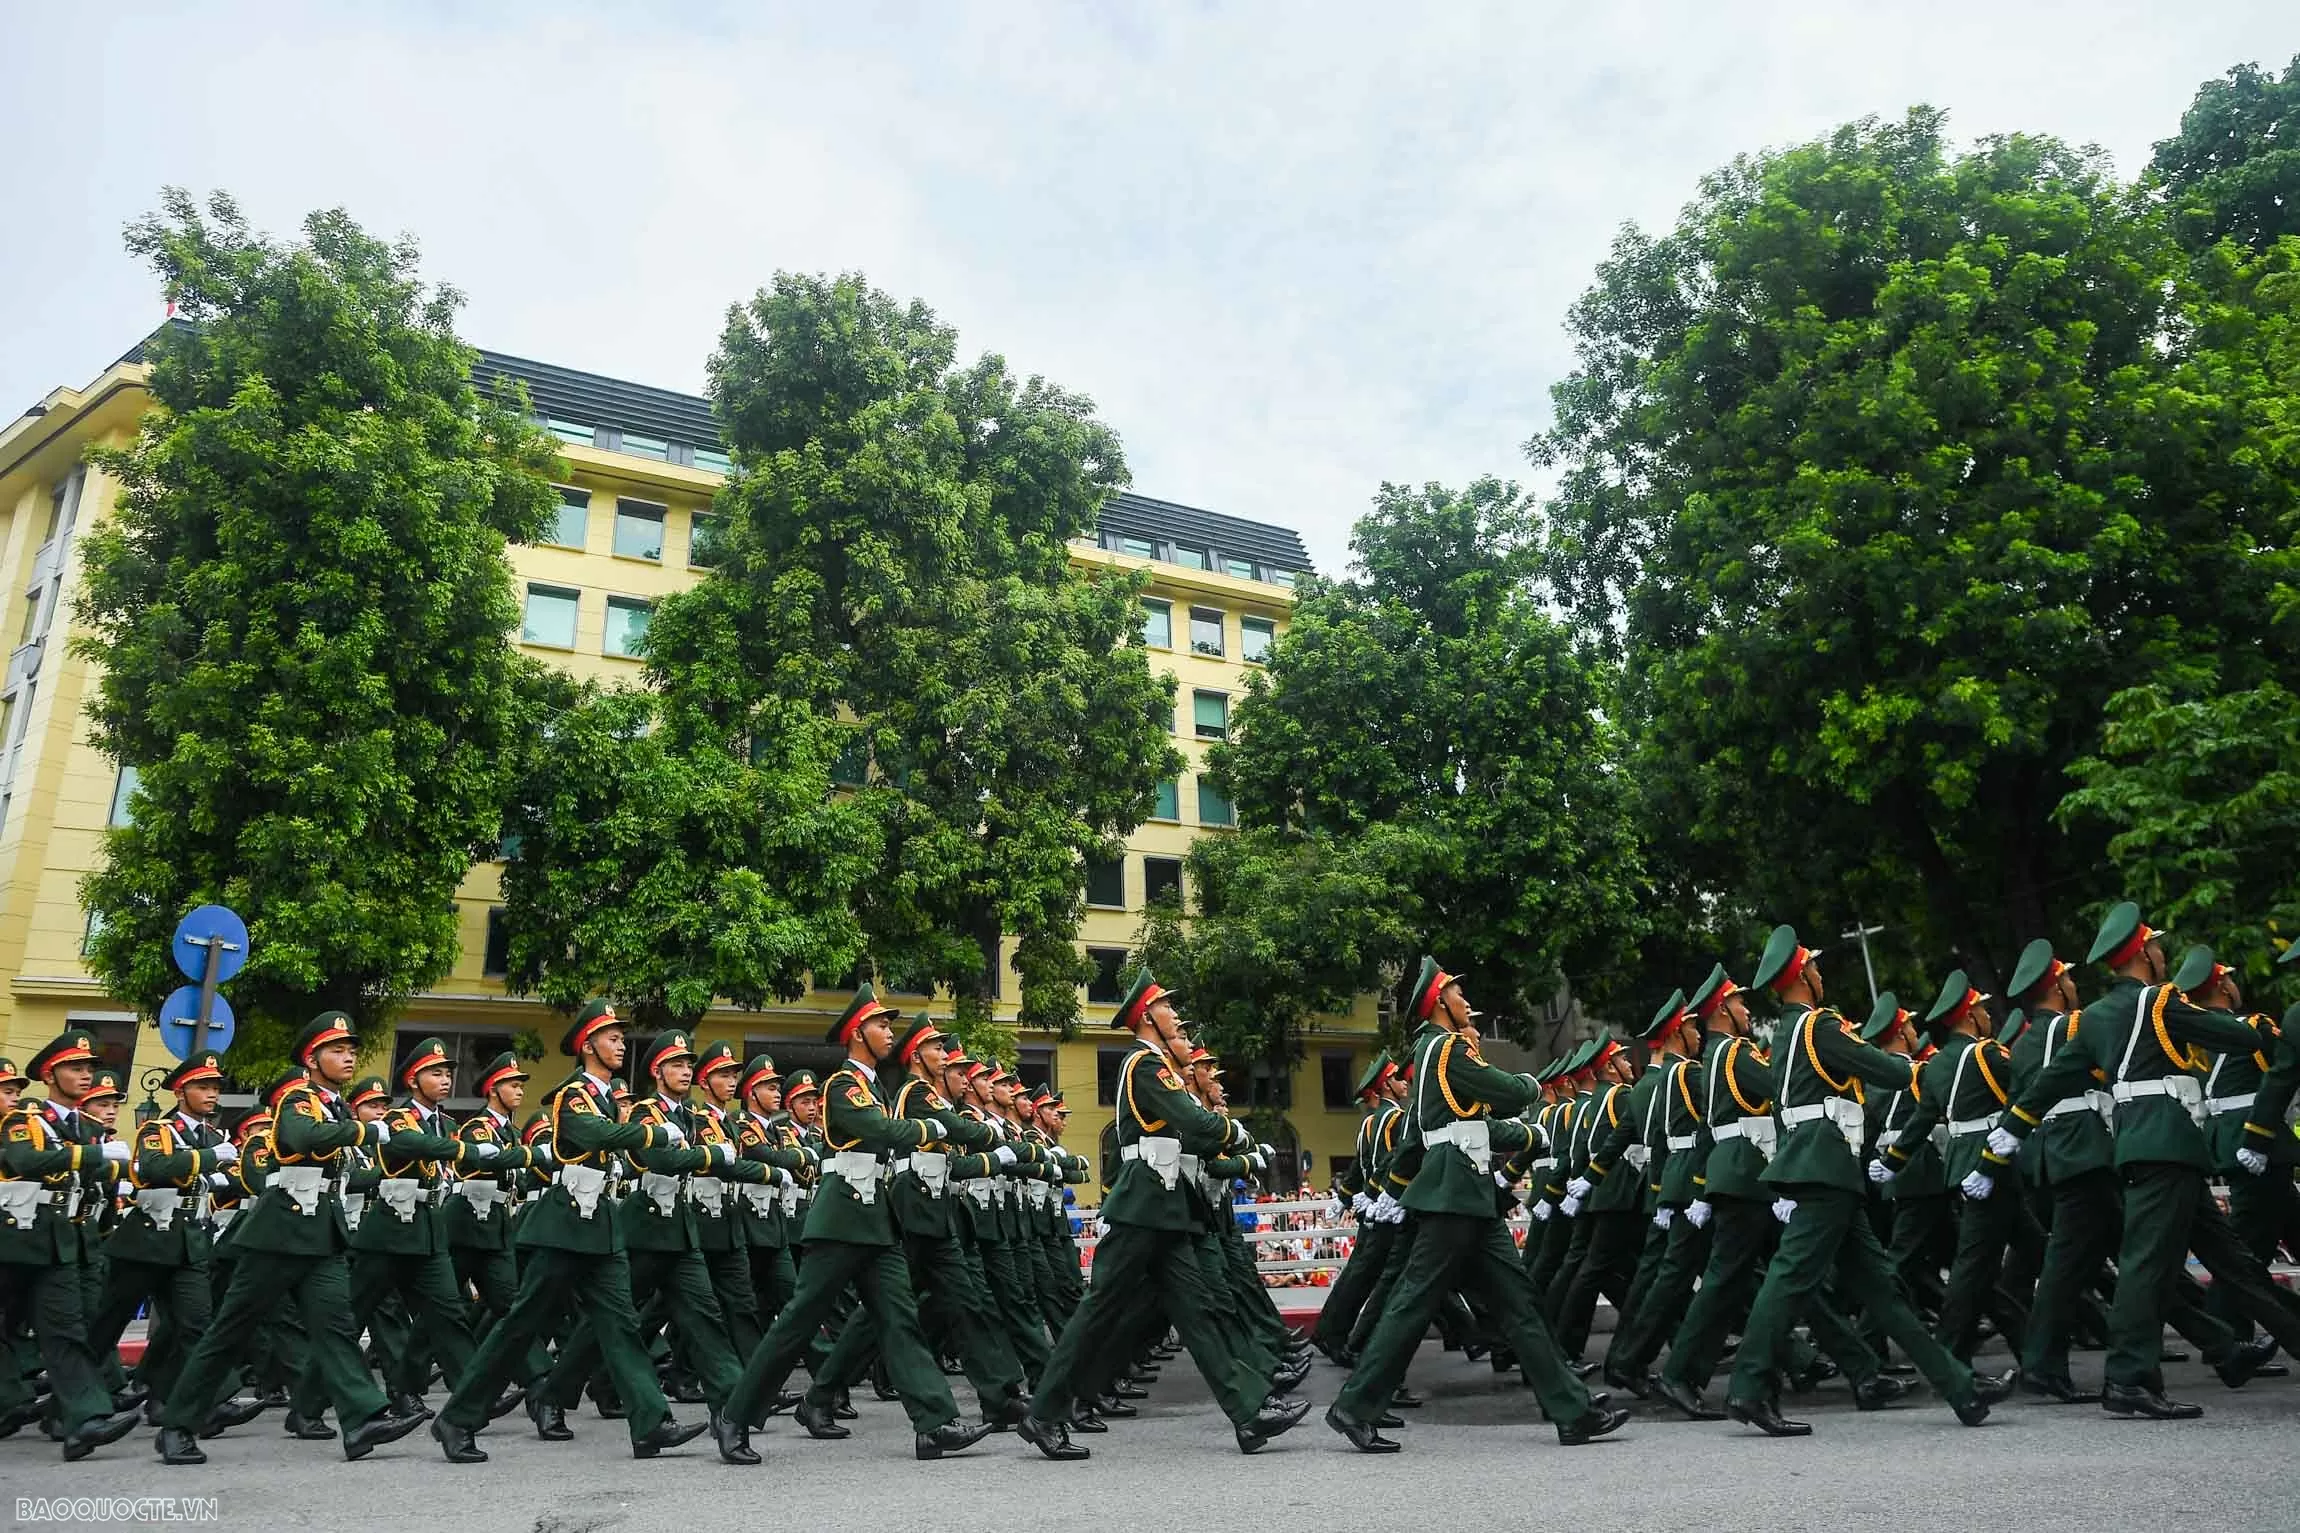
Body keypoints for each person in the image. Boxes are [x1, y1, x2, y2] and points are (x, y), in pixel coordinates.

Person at [1988, 907, 2300, 1417]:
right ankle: (2129, 1377)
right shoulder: (2160, 1002)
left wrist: (2013, 1126)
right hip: (2165, 1144)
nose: (2161, 955)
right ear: (2143, 955)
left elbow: (2052, 1079)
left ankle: (2263, 1344)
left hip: (2149, 1144)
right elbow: (2241, 1038)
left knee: (2234, 1261)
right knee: (2145, 1266)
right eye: (2156, 947)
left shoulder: (2095, 1018)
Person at [1327, 958, 1625, 1453]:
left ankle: (1572, 1412)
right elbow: (1503, 1094)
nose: (1466, 1001)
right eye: (1458, 994)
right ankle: (1354, 1407)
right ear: (1440, 1004)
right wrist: (1531, 1087)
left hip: (1466, 1194)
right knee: (1412, 1303)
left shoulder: (1429, 1055)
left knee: (1518, 1302)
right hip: (1455, 1195)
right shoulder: (1446, 1049)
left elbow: (1427, 1133)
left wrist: (1395, 1190)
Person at [1723, 927, 2005, 1436]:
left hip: (1820, 1165)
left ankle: (1958, 1385)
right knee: (1790, 1279)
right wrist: (1926, 1071)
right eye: (1816, 967)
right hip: (1823, 1165)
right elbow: (1886, 1071)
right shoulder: (1819, 1026)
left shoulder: (1787, 1030)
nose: (1821, 973)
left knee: (1884, 1292)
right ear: (1803, 976)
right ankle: (1746, 1387)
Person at [1019, 973, 1307, 1461]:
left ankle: (1250, 1411)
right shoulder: (1145, 1065)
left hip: (1164, 1205)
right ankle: (1044, 1412)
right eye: (1166, 1006)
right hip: (1142, 1204)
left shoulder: (1154, 1065)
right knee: (1098, 1311)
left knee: (1200, 1311)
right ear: (1147, 1018)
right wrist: (1236, 1136)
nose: (1175, 1013)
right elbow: (1192, 1122)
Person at [717, 985, 994, 1464]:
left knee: (899, 1320)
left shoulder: (875, 1087)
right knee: (798, 1323)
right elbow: (885, 1132)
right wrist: (936, 1127)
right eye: (882, 1025)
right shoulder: (843, 1086)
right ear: (856, 1033)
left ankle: (934, 1423)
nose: (890, 1033)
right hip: (841, 1220)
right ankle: (736, 1416)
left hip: (875, 1222)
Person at [429, 999, 713, 1462]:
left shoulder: (604, 1096)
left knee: (621, 1325)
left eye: (622, 1037)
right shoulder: (573, 1094)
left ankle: (650, 1422)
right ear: (587, 1044)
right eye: (612, 1037)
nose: (621, 1044)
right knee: (520, 1326)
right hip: (562, 1224)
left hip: (598, 1222)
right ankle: (457, 1418)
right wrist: (656, 1136)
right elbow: (597, 1136)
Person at [157, 1013, 431, 1465]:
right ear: (312, 1057)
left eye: (351, 1050)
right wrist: (369, 1129)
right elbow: (300, 1138)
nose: (348, 1057)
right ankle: (179, 1424)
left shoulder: (334, 1107)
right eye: (337, 1050)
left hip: (319, 1230)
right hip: (280, 1232)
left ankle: (361, 1419)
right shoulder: (298, 1100)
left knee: (337, 1327)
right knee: (230, 1330)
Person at [0, 1030, 142, 1460]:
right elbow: (27, 1161)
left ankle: (84, 1420)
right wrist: (96, 1158)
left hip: (60, 1241)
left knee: (66, 1330)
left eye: (89, 1069)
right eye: (75, 1068)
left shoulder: (84, 1126)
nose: (85, 1076)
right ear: (49, 1073)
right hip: (14, 1239)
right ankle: (12, 1401)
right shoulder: (24, 1118)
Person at [1879, 973, 2027, 1369]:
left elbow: (1922, 1120)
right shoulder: (1988, 1054)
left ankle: (2033, 1346)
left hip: (1965, 1163)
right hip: (1991, 1163)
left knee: (2026, 1252)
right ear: (1970, 1015)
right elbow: (2027, 1093)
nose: (1985, 1015)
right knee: (1973, 1267)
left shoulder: (1938, 1064)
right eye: (1980, 1009)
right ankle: (1946, 1355)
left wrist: (1892, 1161)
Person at [88, 1050, 236, 1424]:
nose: (212, 1094)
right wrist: (206, 1159)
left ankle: (194, 1402)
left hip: (188, 1243)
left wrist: (219, 1173)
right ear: (181, 1092)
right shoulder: (158, 1130)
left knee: (196, 1325)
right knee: (108, 1324)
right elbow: (154, 1167)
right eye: (203, 1087)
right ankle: (69, 1404)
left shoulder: (212, 1135)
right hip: (146, 1243)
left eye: (215, 1087)